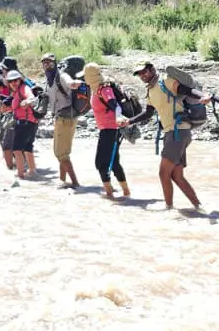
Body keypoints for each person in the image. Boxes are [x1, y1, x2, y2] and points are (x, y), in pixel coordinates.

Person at [132, 60, 202, 212]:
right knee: (176, 176)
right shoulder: (150, 90)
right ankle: (198, 207)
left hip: (177, 132)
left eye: (144, 72)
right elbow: (148, 113)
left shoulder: (165, 81)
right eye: (139, 74)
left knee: (163, 173)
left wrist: (203, 96)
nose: (142, 76)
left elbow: (187, 90)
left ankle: (168, 208)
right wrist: (129, 122)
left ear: (152, 69)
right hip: (174, 133)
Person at [85, 63, 131, 199]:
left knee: (100, 162)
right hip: (106, 129)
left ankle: (110, 193)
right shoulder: (96, 89)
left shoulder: (104, 89)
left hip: (111, 130)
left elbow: (113, 104)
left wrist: (119, 117)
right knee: (114, 162)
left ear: (90, 77)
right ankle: (125, 193)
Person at [41, 53, 82, 189]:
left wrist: (74, 84)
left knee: (61, 153)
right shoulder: (48, 80)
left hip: (66, 118)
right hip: (59, 118)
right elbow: (44, 96)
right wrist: (29, 101)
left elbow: (69, 82)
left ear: (55, 63)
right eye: (45, 63)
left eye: (50, 63)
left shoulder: (62, 75)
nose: (47, 65)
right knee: (60, 151)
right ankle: (63, 181)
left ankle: (75, 184)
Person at [2, 60, 39, 179]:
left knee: (17, 149)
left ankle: (20, 174)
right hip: (31, 122)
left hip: (25, 123)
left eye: (16, 80)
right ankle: (32, 171)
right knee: (28, 147)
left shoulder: (24, 88)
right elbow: (15, 108)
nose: (13, 83)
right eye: (10, 81)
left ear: (20, 80)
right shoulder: (17, 92)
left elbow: (32, 98)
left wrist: (27, 101)